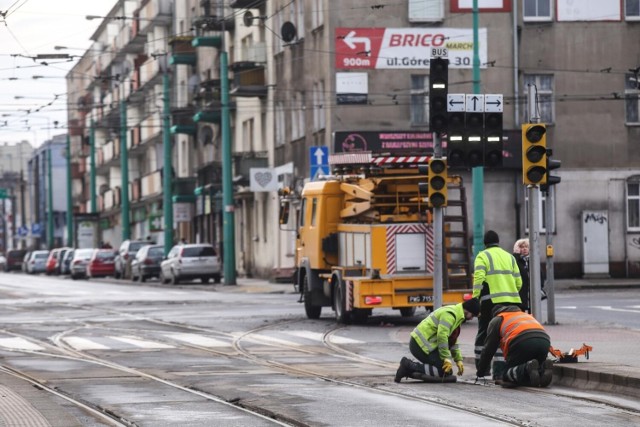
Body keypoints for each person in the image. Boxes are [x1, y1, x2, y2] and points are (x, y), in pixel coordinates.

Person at [472, 230, 523, 380]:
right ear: (498, 241)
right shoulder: (510, 257)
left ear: (485, 244)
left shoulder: (482, 256)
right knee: (503, 336)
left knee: (484, 334)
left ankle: (483, 369)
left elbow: (479, 279)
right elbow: (518, 282)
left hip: (490, 304)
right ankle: (500, 372)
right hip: (512, 302)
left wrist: (476, 298)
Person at [394, 298, 481, 383]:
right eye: (472, 315)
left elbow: (452, 340)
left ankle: (407, 370)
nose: (471, 318)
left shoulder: (457, 316)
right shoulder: (450, 315)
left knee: (447, 371)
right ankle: (408, 365)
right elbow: (442, 337)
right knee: (441, 371)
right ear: (467, 311)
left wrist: (458, 359)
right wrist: (446, 358)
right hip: (419, 345)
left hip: (427, 346)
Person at [476, 305, 553, 388]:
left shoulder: (498, 319)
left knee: (507, 375)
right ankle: (542, 370)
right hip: (545, 341)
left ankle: (526, 368)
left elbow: (489, 349)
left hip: (521, 341)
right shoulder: (524, 315)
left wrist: (481, 372)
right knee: (535, 368)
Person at [513, 238, 530, 313]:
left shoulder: (532, 260)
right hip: (521, 294)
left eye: (526, 247)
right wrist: (516, 254)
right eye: (522, 247)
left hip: (531, 293)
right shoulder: (517, 260)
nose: (524, 249)